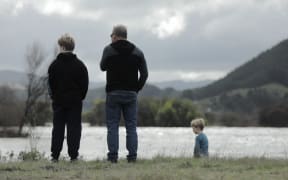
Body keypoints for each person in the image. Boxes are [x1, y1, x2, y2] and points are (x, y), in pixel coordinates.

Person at [100, 24, 148, 163]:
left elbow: (102, 67)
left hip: (113, 94)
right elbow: (145, 74)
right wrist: (136, 89)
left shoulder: (108, 50)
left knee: (112, 126)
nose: (110, 38)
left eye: (111, 36)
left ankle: (113, 157)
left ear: (115, 36)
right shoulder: (137, 51)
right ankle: (132, 157)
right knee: (131, 127)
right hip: (131, 94)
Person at [48, 34, 89, 162]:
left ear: (63, 47)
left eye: (59, 46)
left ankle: (55, 156)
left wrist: (54, 97)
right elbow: (85, 85)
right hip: (75, 102)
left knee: (58, 128)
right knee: (74, 128)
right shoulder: (80, 65)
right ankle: (73, 156)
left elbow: (50, 85)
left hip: (59, 101)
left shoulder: (54, 65)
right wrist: (80, 97)